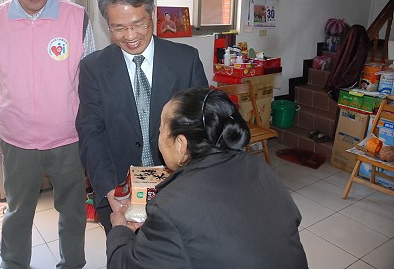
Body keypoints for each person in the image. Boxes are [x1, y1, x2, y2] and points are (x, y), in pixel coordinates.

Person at [0, 0, 95, 269]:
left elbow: (91, 82)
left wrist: (93, 130)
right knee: (18, 210)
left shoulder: (76, 18)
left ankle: (72, 263)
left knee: (72, 210)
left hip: (68, 138)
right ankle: (13, 264)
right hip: (16, 138)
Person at [107, 87, 309, 269]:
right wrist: (162, 237)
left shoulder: (170, 206)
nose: (159, 137)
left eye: (161, 131)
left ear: (181, 144)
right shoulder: (259, 167)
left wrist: (119, 230)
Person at [76, 0, 208, 234]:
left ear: (153, 14)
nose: (130, 35)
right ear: (106, 24)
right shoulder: (94, 68)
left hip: (178, 187)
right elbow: (91, 132)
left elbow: (202, 126)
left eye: (139, 23)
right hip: (120, 192)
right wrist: (111, 191)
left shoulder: (186, 60)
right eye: (119, 27)